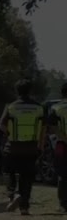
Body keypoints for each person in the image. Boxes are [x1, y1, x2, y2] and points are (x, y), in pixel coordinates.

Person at [0, 79, 45, 215]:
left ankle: (13, 195)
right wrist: (40, 146)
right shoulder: (39, 107)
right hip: (31, 148)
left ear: (16, 91)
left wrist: (8, 133)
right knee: (27, 177)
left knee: (10, 172)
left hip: (12, 147)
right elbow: (43, 129)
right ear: (30, 91)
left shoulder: (11, 106)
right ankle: (24, 206)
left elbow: (1, 125)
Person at [45, 83, 67, 211]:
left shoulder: (56, 108)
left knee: (62, 174)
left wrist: (64, 138)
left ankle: (63, 204)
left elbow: (52, 128)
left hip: (62, 144)